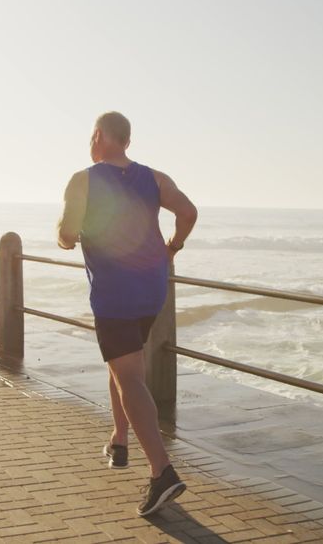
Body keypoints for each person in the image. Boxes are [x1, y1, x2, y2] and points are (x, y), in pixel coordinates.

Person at [57, 111, 198, 517]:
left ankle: (162, 472)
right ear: (127, 141)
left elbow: (67, 234)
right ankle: (120, 438)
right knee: (122, 363)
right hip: (151, 289)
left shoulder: (83, 179)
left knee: (130, 377)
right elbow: (187, 213)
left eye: (91, 136)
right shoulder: (155, 178)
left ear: (99, 136)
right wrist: (173, 247)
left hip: (115, 294)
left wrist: (66, 235)